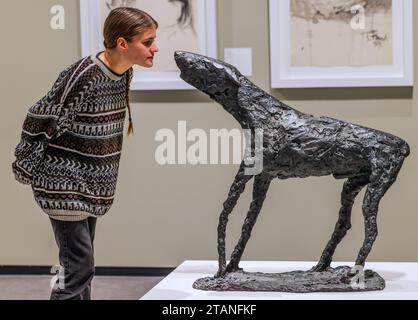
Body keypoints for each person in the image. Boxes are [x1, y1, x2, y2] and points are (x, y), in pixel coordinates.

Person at [12, 7, 159, 300]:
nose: (155, 48)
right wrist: (25, 165)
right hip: (62, 183)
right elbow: (40, 115)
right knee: (79, 269)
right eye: (147, 41)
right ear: (122, 43)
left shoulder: (122, 72)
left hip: (89, 186)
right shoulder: (86, 75)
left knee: (80, 270)